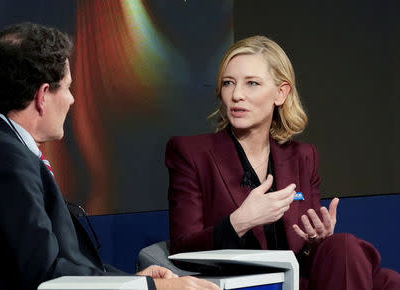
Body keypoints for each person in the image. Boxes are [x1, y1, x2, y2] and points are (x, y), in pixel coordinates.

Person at [0, 23, 218, 290]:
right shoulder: (0, 157)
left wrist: (131, 282)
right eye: (67, 87)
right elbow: (46, 276)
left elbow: (50, 264)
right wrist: (159, 288)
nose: (72, 99)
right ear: (43, 95)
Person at [165, 35, 400, 290]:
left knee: (348, 251)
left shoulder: (303, 156)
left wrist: (316, 240)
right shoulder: (190, 153)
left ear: (280, 92)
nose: (237, 95)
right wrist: (239, 221)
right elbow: (182, 248)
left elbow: (305, 256)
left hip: (299, 280)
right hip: (249, 283)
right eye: (228, 83)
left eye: (252, 83)